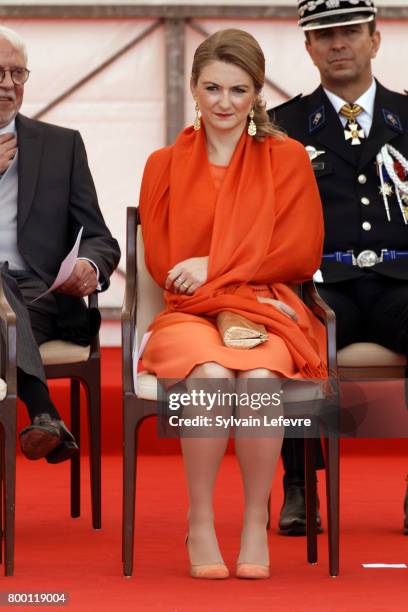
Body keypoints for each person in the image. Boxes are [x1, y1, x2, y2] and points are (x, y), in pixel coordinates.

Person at [139, 28, 326, 579]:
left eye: (238, 90)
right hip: (188, 310)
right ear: (193, 87)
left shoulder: (287, 157)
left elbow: (298, 251)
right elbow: (167, 263)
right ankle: (200, 519)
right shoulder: (163, 164)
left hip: (266, 305)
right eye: (213, 88)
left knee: (262, 380)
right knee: (211, 375)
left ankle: (251, 521)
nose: (224, 102)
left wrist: (215, 264)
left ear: (256, 93)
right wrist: (218, 270)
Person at [271, 0, 408, 536]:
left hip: (402, 282)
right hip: (322, 284)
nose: (338, 44)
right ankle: (300, 486)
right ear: (308, 49)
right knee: (294, 339)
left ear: (376, 39)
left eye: (350, 32)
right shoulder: (283, 126)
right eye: (324, 36)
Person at [0, 26, 120, 463]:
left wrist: (91, 263)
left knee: (6, 301)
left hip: (39, 295)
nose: (9, 85)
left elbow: (100, 236)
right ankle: (44, 411)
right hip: (17, 309)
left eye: (17, 73)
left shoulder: (61, 145)